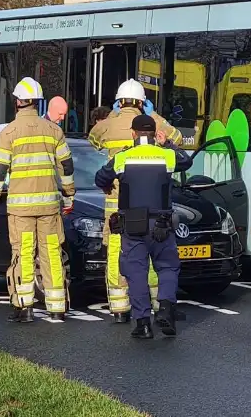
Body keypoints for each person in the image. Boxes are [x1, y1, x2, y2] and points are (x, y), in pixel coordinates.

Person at [87, 79, 182, 322]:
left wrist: (112, 119)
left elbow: (93, 140)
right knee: (152, 258)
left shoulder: (107, 125)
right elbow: (178, 140)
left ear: (119, 101)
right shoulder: (155, 124)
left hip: (117, 203)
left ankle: (119, 307)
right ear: (143, 102)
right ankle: (154, 301)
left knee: (119, 253)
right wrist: (157, 117)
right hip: (151, 204)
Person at [0, 77, 76, 322]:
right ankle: (57, 306)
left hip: (21, 210)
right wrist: (69, 197)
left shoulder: (8, 133)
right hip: (49, 207)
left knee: (24, 254)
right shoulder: (54, 131)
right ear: (38, 102)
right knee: (52, 253)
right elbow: (66, 167)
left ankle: (24, 308)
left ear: (17, 102)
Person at [94, 114, 192, 339]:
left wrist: (109, 184)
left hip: (133, 226)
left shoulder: (123, 157)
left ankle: (143, 323)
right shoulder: (166, 156)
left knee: (136, 272)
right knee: (167, 267)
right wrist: (167, 142)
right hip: (162, 224)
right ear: (154, 132)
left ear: (133, 133)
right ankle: (166, 308)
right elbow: (186, 161)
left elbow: (100, 178)